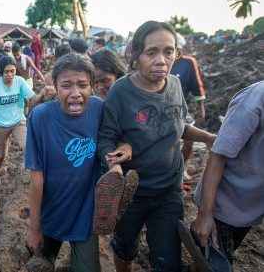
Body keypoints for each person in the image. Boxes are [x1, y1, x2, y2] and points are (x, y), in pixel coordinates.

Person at [97, 21, 216, 272]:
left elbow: (179, 125)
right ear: (136, 55)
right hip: (132, 192)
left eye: (169, 51)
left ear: (176, 54)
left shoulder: (174, 84)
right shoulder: (121, 91)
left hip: (168, 190)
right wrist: (114, 167)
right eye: (152, 52)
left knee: (167, 260)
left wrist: (208, 138)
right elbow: (107, 137)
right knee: (125, 249)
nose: (161, 60)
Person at [25, 52, 131, 271]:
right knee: (41, 263)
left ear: (91, 86)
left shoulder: (99, 109)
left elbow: (112, 141)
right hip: (51, 211)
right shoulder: (40, 117)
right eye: (66, 86)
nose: (76, 93)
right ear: (54, 87)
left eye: (83, 85)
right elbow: (37, 176)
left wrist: (124, 149)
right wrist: (34, 228)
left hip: (85, 213)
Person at [191, 80, 263, 266]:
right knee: (216, 264)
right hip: (221, 205)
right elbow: (218, 155)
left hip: (252, 207)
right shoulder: (253, 102)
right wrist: (205, 215)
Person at [0, 56, 39, 175]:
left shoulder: (20, 82)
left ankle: (34, 175)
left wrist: (43, 93)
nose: (10, 74)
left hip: (18, 121)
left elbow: (35, 98)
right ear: (1, 71)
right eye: (6, 71)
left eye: (12, 71)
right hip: (0, 125)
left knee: (27, 147)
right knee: (2, 154)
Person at [170, 34, 206, 167]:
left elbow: (196, 86)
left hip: (180, 108)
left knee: (189, 138)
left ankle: (181, 168)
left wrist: (201, 108)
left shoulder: (188, 63)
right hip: (159, 108)